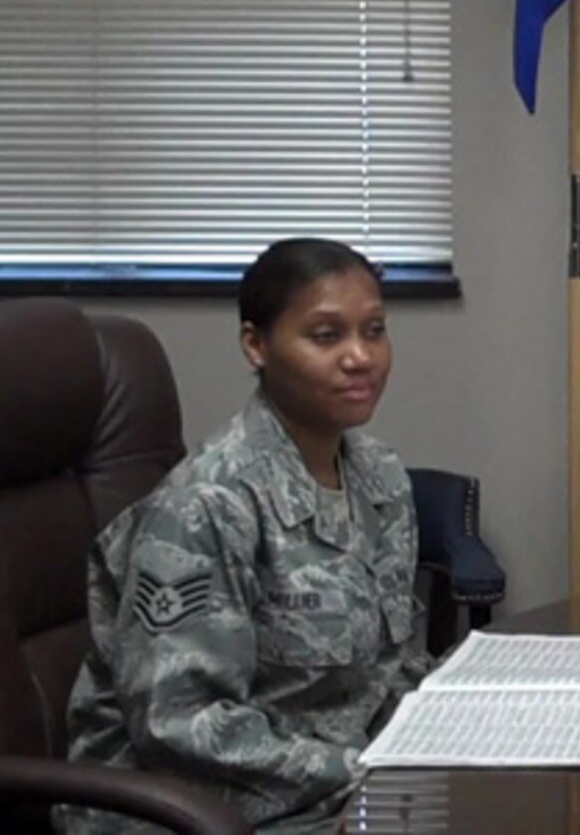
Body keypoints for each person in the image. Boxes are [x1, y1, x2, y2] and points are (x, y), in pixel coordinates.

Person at [63, 238, 429, 833]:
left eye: (375, 330)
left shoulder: (379, 475)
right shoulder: (206, 506)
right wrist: (361, 769)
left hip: (339, 790)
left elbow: (390, 667)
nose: (361, 357)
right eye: (326, 335)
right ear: (256, 345)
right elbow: (178, 727)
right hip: (200, 810)